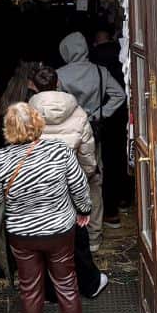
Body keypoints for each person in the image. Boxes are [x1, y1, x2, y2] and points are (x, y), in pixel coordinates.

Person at [0, 102, 92, 313]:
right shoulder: (60, 151)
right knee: (66, 285)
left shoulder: (1, 159)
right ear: (37, 123)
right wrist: (84, 210)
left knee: (30, 290)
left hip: (22, 234)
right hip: (59, 231)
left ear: (10, 129)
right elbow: (79, 186)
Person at [29, 65, 109, 298]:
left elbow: (19, 149)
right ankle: (89, 283)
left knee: (42, 234)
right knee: (77, 235)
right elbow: (87, 153)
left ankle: (50, 291)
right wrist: (85, 176)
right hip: (69, 181)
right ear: (57, 84)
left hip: (38, 182)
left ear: (34, 86)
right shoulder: (78, 114)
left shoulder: (25, 114)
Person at [59, 31, 125, 247]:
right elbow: (120, 95)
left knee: (66, 182)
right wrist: (100, 112)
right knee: (94, 181)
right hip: (93, 131)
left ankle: (72, 234)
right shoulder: (100, 71)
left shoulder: (59, 75)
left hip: (66, 135)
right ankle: (94, 236)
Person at [90, 28, 132, 228]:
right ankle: (125, 199)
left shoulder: (95, 58)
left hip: (100, 120)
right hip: (120, 114)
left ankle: (109, 210)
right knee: (121, 157)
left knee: (103, 163)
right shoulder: (121, 52)